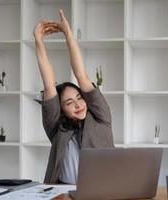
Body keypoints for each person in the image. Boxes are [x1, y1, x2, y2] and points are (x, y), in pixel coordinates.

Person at [34, 9, 115, 184]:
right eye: (69, 102)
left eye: (79, 98)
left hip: (101, 191)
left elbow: (82, 76)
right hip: (61, 191)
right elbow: (49, 85)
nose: (78, 105)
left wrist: (68, 34)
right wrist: (39, 41)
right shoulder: (56, 127)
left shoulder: (101, 118)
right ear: (60, 110)